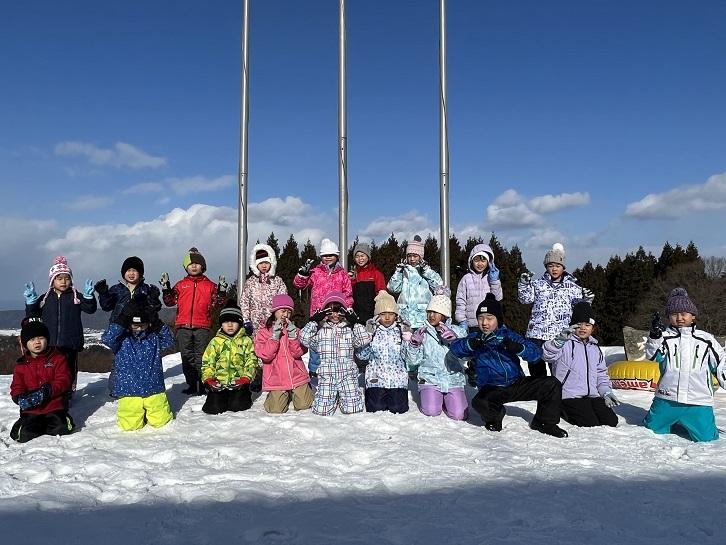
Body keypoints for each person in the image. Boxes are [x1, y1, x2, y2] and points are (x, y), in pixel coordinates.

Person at [450, 293, 568, 438]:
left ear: (498, 320)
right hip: (492, 388)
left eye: (489, 318)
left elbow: (536, 353)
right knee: (479, 402)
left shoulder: (509, 336)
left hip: (515, 383)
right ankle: (495, 416)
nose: (484, 322)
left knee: (552, 384)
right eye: (480, 318)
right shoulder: (475, 337)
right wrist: (472, 344)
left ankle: (544, 422)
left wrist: (518, 348)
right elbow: (455, 348)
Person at [643, 288, 726, 442]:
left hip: (698, 401)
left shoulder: (706, 339)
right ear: (668, 316)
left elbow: (721, 363)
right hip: (667, 398)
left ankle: (690, 422)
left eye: (683, 313)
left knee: (707, 439)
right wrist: (654, 337)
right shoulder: (664, 338)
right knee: (650, 431)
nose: (679, 318)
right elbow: (653, 356)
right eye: (674, 314)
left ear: (692, 315)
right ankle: (670, 420)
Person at [517, 243, 593, 378]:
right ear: (546, 267)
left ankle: (558, 390)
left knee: (558, 372)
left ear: (563, 267)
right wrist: (523, 284)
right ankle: (538, 390)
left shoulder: (573, 287)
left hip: (559, 336)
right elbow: (525, 299)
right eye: (550, 265)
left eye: (557, 265)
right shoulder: (538, 284)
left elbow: (580, 310)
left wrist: (587, 300)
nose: (554, 269)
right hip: (536, 334)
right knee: (537, 372)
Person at [24, 255, 97, 393]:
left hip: (70, 343)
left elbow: (90, 309)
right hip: (50, 343)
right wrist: (31, 302)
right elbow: (32, 315)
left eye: (67, 278)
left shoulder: (75, 296)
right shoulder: (45, 298)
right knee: (50, 370)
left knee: (69, 370)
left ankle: (68, 393)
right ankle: (51, 392)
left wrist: (89, 297)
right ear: (52, 280)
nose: (63, 281)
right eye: (59, 278)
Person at [102, 296, 175, 431]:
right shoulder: (122, 340)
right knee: (130, 426)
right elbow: (107, 338)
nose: (139, 329)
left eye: (142, 325)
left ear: (148, 324)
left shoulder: (154, 339)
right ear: (128, 324)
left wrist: (157, 322)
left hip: (154, 388)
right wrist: (122, 318)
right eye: (135, 325)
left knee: (161, 422)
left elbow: (169, 340)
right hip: (129, 390)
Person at [161, 247, 227, 395]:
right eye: (191, 264)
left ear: (203, 266)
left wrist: (222, 291)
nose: (194, 266)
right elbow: (169, 302)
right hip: (183, 326)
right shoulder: (180, 285)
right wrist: (166, 289)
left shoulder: (210, 285)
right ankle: (191, 384)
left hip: (202, 325)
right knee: (186, 357)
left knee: (202, 356)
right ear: (186, 267)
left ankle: (203, 384)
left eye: (197, 264)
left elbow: (219, 303)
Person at [542, 302, 619, 427]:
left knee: (611, 421)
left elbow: (601, 374)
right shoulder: (564, 343)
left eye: (587, 325)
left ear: (593, 328)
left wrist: (606, 392)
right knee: (589, 422)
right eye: (579, 324)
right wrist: (559, 341)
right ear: (572, 326)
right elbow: (547, 355)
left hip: (591, 395)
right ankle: (561, 409)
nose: (583, 328)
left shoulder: (595, 348)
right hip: (568, 396)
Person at [300, 291, 371, 416]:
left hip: (347, 374)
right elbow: (304, 339)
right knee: (321, 410)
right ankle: (333, 396)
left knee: (353, 409)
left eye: (338, 311)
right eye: (331, 311)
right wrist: (314, 321)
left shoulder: (349, 328)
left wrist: (356, 323)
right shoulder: (320, 330)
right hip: (327, 375)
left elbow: (364, 339)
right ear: (325, 312)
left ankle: (343, 396)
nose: (335, 315)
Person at [404, 288, 468, 420]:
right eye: (429, 311)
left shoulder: (458, 332)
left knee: (459, 415)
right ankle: (433, 397)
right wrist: (414, 345)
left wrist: (455, 342)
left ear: (445, 314)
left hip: (453, 379)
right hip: (430, 379)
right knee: (431, 411)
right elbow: (413, 361)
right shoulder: (422, 332)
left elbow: (467, 357)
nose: (431, 315)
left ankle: (449, 400)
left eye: (436, 312)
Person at [293, 238, 353, 376]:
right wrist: (303, 274)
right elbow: (299, 285)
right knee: (316, 341)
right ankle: (314, 368)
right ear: (321, 257)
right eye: (325, 255)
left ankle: (336, 367)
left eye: (331, 255)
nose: (328, 258)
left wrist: (347, 308)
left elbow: (348, 293)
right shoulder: (315, 272)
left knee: (334, 343)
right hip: (318, 313)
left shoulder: (342, 274)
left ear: (337, 256)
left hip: (336, 314)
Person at [10, 319, 74, 443]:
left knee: (62, 427)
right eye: (32, 339)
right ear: (25, 343)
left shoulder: (57, 358)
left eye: (41, 338)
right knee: (22, 434)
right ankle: (36, 425)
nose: (37, 342)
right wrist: (18, 397)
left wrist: (48, 390)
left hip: (54, 406)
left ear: (47, 339)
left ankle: (52, 423)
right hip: (31, 409)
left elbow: (64, 380)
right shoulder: (21, 365)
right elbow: (17, 386)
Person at [254, 294, 314, 414]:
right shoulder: (264, 332)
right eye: (283, 311)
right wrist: (274, 338)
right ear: (274, 311)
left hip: (296, 376)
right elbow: (266, 356)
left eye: (288, 312)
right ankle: (277, 395)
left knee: (304, 404)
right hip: (276, 378)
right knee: (275, 409)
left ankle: (297, 391)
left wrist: (293, 337)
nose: (285, 315)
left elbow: (299, 353)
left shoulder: (295, 330)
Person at [356, 291, 413, 414]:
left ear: (396, 315)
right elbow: (362, 356)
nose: (387, 318)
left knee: (398, 408)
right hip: (376, 378)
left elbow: (409, 358)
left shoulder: (400, 331)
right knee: (376, 407)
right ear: (377, 316)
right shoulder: (373, 331)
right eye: (383, 314)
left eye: (391, 314)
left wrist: (408, 341)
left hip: (397, 379)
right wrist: (367, 336)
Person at [200, 300, 258, 415]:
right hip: (219, 384)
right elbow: (207, 362)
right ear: (221, 324)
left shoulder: (246, 341)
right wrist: (209, 379)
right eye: (226, 322)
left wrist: (246, 378)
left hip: (239, 384)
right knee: (213, 408)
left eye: (234, 321)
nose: (230, 325)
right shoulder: (215, 342)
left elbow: (252, 362)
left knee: (237, 406)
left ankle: (243, 395)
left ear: (240, 323)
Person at [387, 235, 443, 328]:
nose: (412, 259)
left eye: (415, 256)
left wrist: (426, 271)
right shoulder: (403, 271)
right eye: (409, 256)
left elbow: (439, 285)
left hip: (422, 319)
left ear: (421, 257)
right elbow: (392, 288)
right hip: (405, 318)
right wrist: (398, 272)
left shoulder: (426, 271)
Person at [95, 256, 162, 325]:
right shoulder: (116, 289)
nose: (131, 273)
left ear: (140, 273)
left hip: (141, 325)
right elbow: (106, 307)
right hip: (119, 324)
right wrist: (104, 294)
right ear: (123, 273)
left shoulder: (146, 289)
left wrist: (154, 298)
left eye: (134, 270)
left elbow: (155, 308)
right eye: (128, 270)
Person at [240, 243, 288, 336]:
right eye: (261, 263)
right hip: (254, 323)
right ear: (256, 264)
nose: (264, 266)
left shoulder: (277, 281)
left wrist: (280, 318)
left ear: (271, 263)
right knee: (256, 342)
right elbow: (244, 301)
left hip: (272, 322)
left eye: (266, 263)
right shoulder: (251, 282)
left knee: (272, 342)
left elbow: (283, 301)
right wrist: (246, 320)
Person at [455, 243, 503, 332]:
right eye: (476, 260)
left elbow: (497, 298)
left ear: (488, 262)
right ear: (471, 261)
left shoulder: (491, 278)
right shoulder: (466, 278)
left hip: (489, 324)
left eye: (483, 260)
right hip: (472, 325)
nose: (480, 264)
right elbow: (460, 301)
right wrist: (461, 320)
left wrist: (495, 281)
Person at [349, 241, 386, 325]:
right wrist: (351, 280)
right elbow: (349, 294)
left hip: (372, 314)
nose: (360, 259)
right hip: (357, 314)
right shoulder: (353, 274)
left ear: (368, 257)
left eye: (362, 256)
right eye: (357, 256)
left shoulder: (376, 274)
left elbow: (382, 294)